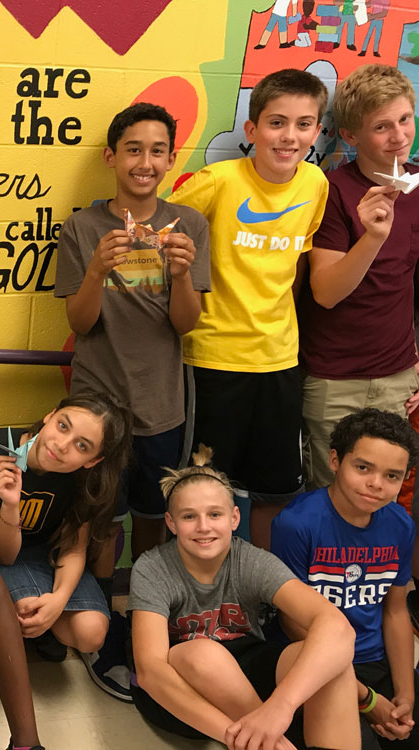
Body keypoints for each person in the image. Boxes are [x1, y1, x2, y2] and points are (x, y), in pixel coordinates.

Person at [55, 102, 210, 701]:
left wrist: (179, 277)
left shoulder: (188, 225)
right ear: (111, 157)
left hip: (160, 406)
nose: (145, 162)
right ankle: (102, 624)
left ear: (171, 160)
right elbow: (79, 320)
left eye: (157, 151)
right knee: (96, 518)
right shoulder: (83, 227)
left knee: (151, 517)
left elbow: (186, 325)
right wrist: (96, 269)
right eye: (133, 149)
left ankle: (146, 615)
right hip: (96, 404)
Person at [170, 68, 330, 549]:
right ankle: (201, 593)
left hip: (280, 360)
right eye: (277, 122)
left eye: (304, 124)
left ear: (318, 131)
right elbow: (159, 239)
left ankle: (254, 593)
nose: (290, 136)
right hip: (214, 360)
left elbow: (297, 266)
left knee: (273, 491)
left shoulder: (316, 185)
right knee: (205, 491)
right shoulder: (217, 181)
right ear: (252, 129)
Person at [130, 446, 361, 749]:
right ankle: (270, 743)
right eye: (189, 516)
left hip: (246, 670)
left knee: (333, 660)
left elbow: (337, 627)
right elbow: (151, 672)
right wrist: (242, 735)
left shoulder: (250, 560)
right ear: (171, 523)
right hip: (179, 693)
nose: (203, 527)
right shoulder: (152, 568)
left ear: (234, 518)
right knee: (201, 653)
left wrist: (281, 706)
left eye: (215, 514)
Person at [0, 390, 131, 750]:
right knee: (22, 614)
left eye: (82, 446)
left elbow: (74, 546)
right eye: (62, 426)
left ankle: (43, 627)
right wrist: (10, 504)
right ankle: (22, 626)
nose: (62, 444)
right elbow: (2, 553)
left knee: (92, 633)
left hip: (47, 556)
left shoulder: (91, 480)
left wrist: (57, 601)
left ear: (92, 460)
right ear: (50, 416)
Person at [300, 64, 419, 490]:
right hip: (335, 379)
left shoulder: (418, 188)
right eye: (382, 127)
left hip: (398, 376)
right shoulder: (332, 190)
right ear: (350, 136)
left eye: (405, 119)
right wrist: (371, 237)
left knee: (388, 504)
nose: (400, 136)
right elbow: (326, 293)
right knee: (329, 502)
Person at [272, 409, 419, 748]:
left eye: (392, 475)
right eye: (363, 467)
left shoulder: (400, 525)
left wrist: (404, 694)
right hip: (314, 661)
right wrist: (368, 701)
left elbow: (395, 611)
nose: (376, 484)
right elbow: (292, 621)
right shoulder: (296, 524)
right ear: (336, 460)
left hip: (374, 660)